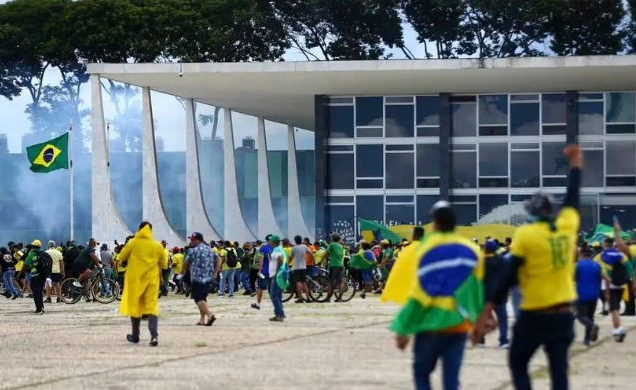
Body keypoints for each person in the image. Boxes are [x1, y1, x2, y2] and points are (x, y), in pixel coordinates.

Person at [475, 144, 583, 390]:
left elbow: (509, 273)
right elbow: (573, 198)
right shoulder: (567, 227)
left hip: (535, 313)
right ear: (551, 210)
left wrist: (490, 305)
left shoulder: (526, 234)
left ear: (532, 213)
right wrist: (576, 163)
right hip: (564, 314)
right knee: (559, 372)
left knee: (518, 361)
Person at [387, 201, 484, 390]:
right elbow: (476, 292)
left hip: (430, 325)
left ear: (435, 223)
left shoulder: (426, 248)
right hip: (458, 325)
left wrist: (403, 328)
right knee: (451, 380)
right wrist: (478, 323)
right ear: (454, 224)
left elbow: (420, 292)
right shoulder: (472, 250)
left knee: (421, 373)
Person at [118, 222, 167, 346]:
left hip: (135, 280)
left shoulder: (132, 243)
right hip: (152, 280)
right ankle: (154, 337)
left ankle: (135, 336)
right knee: (151, 307)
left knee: (135, 307)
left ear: (139, 230)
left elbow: (122, 256)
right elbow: (163, 264)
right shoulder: (157, 245)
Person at [594, 237, 635, 342]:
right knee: (615, 307)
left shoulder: (600, 256)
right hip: (621, 285)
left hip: (608, 285)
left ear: (605, 244)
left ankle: (619, 329)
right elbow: (630, 270)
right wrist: (633, 282)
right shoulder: (621, 255)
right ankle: (616, 329)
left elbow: (594, 269)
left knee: (613, 309)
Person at [182, 232, 219, 326]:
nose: (191, 242)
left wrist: (183, 272)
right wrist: (215, 273)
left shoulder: (193, 250)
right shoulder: (210, 250)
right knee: (203, 298)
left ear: (198, 240)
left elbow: (185, 262)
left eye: (192, 240)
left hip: (197, 279)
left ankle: (210, 315)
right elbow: (219, 259)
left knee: (198, 299)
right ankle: (202, 319)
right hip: (209, 278)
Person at [575, 245, 609, 346]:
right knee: (590, 317)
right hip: (594, 295)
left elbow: (570, 279)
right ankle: (587, 339)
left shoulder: (577, 265)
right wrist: (606, 293)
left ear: (581, 254)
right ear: (590, 255)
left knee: (581, 317)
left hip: (581, 295)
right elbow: (607, 279)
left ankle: (592, 327)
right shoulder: (597, 265)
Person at [479, 240, 509, 349]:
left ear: (485, 249)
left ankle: (481, 340)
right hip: (499, 294)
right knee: (502, 318)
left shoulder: (480, 262)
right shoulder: (504, 261)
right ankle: (503, 340)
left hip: (484, 294)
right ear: (496, 249)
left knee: (482, 317)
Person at [23, 240, 47, 314]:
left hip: (35, 275)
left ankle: (38, 309)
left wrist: (27, 268)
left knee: (36, 292)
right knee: (40, 292)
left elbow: (26, 263)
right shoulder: (43, 253)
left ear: (33, 246)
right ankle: (42, 307)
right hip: (43, 275)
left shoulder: (32, 253)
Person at [269, 235, 286, 322]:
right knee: (278, 295)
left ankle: (280, 314)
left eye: (271, 241)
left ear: (273, 242)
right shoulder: (280, 248)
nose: (270, 242)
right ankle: (278, 313)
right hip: (279, 275)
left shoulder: (277, 250)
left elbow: (280, 259)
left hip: (277, 276)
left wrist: (276, 271)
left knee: (273, 295)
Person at [290, 235, 312, 303]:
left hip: (296, 268)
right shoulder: (304, 247)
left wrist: (287, 263)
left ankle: (300, 298)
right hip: (303, 267)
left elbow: (291, 257)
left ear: (295, 241)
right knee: (304, 282)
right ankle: (308, 297)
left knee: (298, 283)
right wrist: (314, 262)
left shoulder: (294, 248)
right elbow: (311, 254)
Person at [325, 234, 345, 302]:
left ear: (332, 238)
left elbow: (326, 252)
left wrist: (321, 260)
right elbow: (341, 255)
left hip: (333, 265)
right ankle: (340, 297)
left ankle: (328, 297)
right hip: (340, 265)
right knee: (340, 282)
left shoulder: (332, 244)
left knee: (330, 281)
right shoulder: (341, 246)